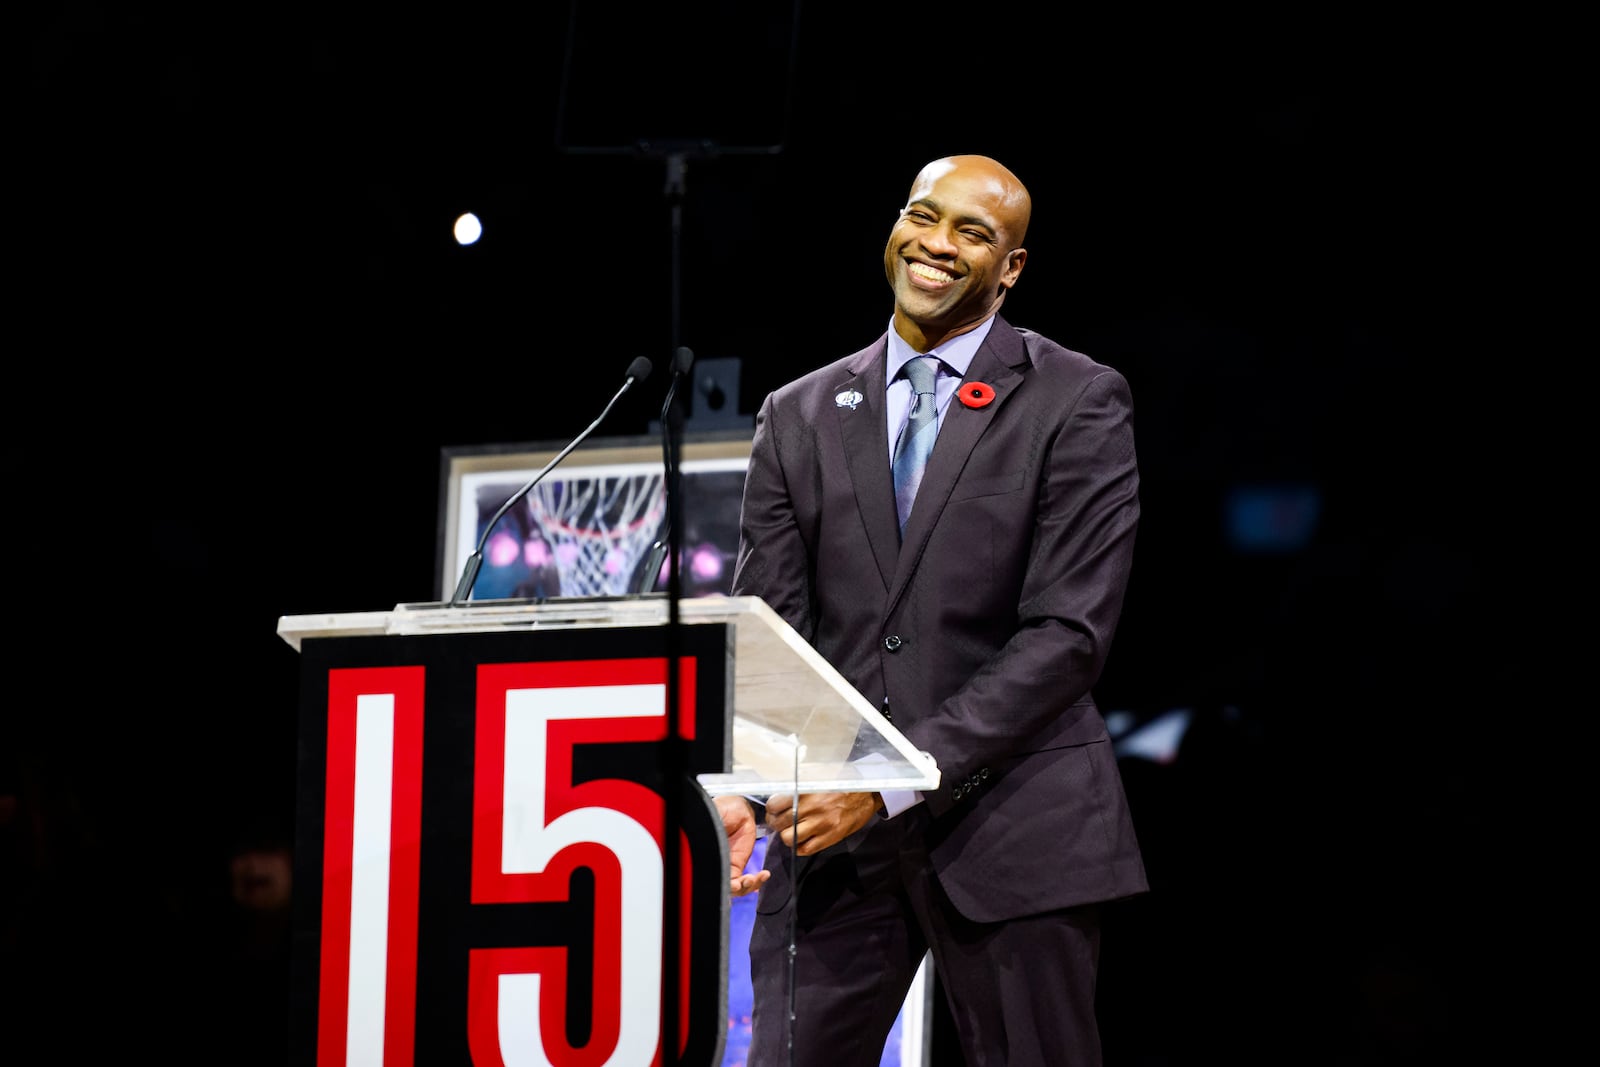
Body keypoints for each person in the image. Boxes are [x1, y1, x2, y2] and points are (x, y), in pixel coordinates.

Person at [715, 154, 1147, 1067]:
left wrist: (888, 781)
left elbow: (1068, 636)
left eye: (973, 232)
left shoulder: (1077, 399)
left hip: (1015, 818)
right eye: (923, 215)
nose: (936, 245)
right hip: (828, 839)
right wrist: (750, 785)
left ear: (1012, 267)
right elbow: (771, 628)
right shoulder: (796, 415)